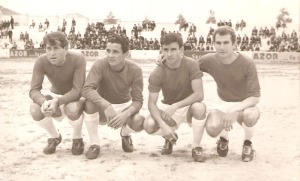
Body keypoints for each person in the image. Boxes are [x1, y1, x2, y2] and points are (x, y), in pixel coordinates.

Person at [199, 26, 261, 162]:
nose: (222, 47)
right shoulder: (208, 60)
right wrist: (164, 58)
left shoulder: (247, 63)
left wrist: (234, 109)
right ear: (213, 43)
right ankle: (224, 138)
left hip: (244, 105)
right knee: (212, 128)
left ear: (234, 44)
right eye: (218, 43)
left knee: (250, 115)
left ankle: (248, 144)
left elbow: (255, 96)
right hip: (223, 102)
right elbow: (186, 66)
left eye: (226, 42)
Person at [144, 33, 207, 162]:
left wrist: (176, 105)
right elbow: (151, 103)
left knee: (199, 108)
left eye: (173, 49)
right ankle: (170, 138)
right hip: (169, 110)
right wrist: (162, 125)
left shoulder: (191, 64)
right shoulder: (158, 72)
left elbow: (199, 94)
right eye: (165, 50)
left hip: (188, 107)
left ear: (181, 50)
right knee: (149, 125)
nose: (169, 54)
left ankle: (196, 147)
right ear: (161, 50)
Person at [82, 34, 145, 159]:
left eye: (115, 52)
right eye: (108, 51)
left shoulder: (135, 70)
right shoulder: (99, 64)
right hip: (103, 107)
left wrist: (125, 114)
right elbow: (86, 89)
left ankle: (125, 134)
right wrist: (105, 104)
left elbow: (138, 101)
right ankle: (94, 143)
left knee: (139, 121)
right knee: (88, 104)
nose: (110, 55)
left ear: (126, 54)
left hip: (123, 106)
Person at [29, 31, 86, 155]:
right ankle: (54, 137)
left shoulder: (78, 58)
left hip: (75, 98)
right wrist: (44, 102)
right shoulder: (41, 61)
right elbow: (34, 90)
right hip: (55, 95)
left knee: (72, 108)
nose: (51, 53)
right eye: (48, 48)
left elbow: (78, 91)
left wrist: (57, 102)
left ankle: (77, 138)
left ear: (66, 48)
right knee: (35, 109)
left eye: (56, 48)